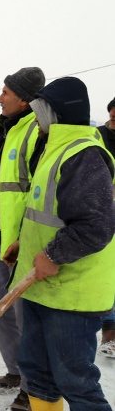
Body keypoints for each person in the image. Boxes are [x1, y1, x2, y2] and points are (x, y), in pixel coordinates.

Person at [8, 77, 114, 411]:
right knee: (38, 375)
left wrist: (53, 254)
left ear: (56, 113)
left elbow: (96, 225)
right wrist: (23, 245)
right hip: (44, 288)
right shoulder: (53, 151)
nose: (35, 119)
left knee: (75, 382)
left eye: (40, 111)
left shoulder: (83, 155)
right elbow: (46, 214)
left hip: (72, 295)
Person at [0, 67, 45, 410]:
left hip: (27, 241)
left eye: (5, 91)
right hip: (4, 241)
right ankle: (18, 370)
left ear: (23, 98)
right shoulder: (5, 132)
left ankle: (34, 387)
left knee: (26, 315)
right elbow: (0, 191)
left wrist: (26, 239)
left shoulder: (35, 131)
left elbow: (39, 191)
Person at [97, 97, 115, 359]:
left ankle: (110, 336)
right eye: (112, 110)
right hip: (101, 212)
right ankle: (108, 333)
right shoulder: (97, 136)